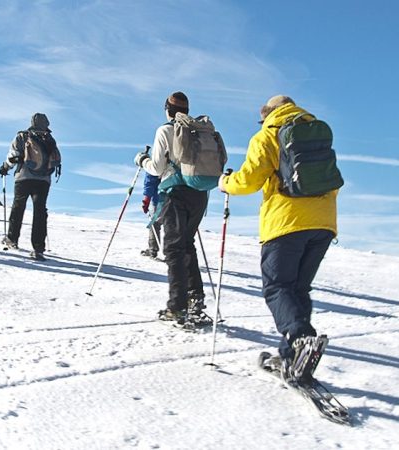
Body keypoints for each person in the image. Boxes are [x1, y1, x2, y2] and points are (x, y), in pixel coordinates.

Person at [218, 95, 339, 382]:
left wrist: (225, 183)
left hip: (285, 223)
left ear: (268, 114)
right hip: (323, 222)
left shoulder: (268, 135)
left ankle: (299, 339)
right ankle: (292, 358)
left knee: (277, 287)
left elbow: (248, 180)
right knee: (298, 289)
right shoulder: (316, 132)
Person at [134, 92, 222, 324]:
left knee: (173, 249)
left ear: (167, 108)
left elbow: (156, 167)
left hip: (174, 193)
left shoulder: (165, 130)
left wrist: (141, 160)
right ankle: (195, 297)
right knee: (186, 245)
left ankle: (177, 306)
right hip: (199, 193)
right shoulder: (198, 130)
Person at [0, 113, 60, 261]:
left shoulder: (22, 136)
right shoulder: (50, 139)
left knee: (18, 207)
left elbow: (13, 155)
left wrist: (5, 167)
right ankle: (38, 248)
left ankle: (12, 239)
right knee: (40, 211)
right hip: (44, 180)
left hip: (24, 178)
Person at [140, 173, 162, 259]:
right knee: (175, 225)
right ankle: (176, 252)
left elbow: (150, 180)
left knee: (155, 223)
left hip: (160, 198)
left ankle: (153, 249)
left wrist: (147, 198)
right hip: (178, 198)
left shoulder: (155, 162)